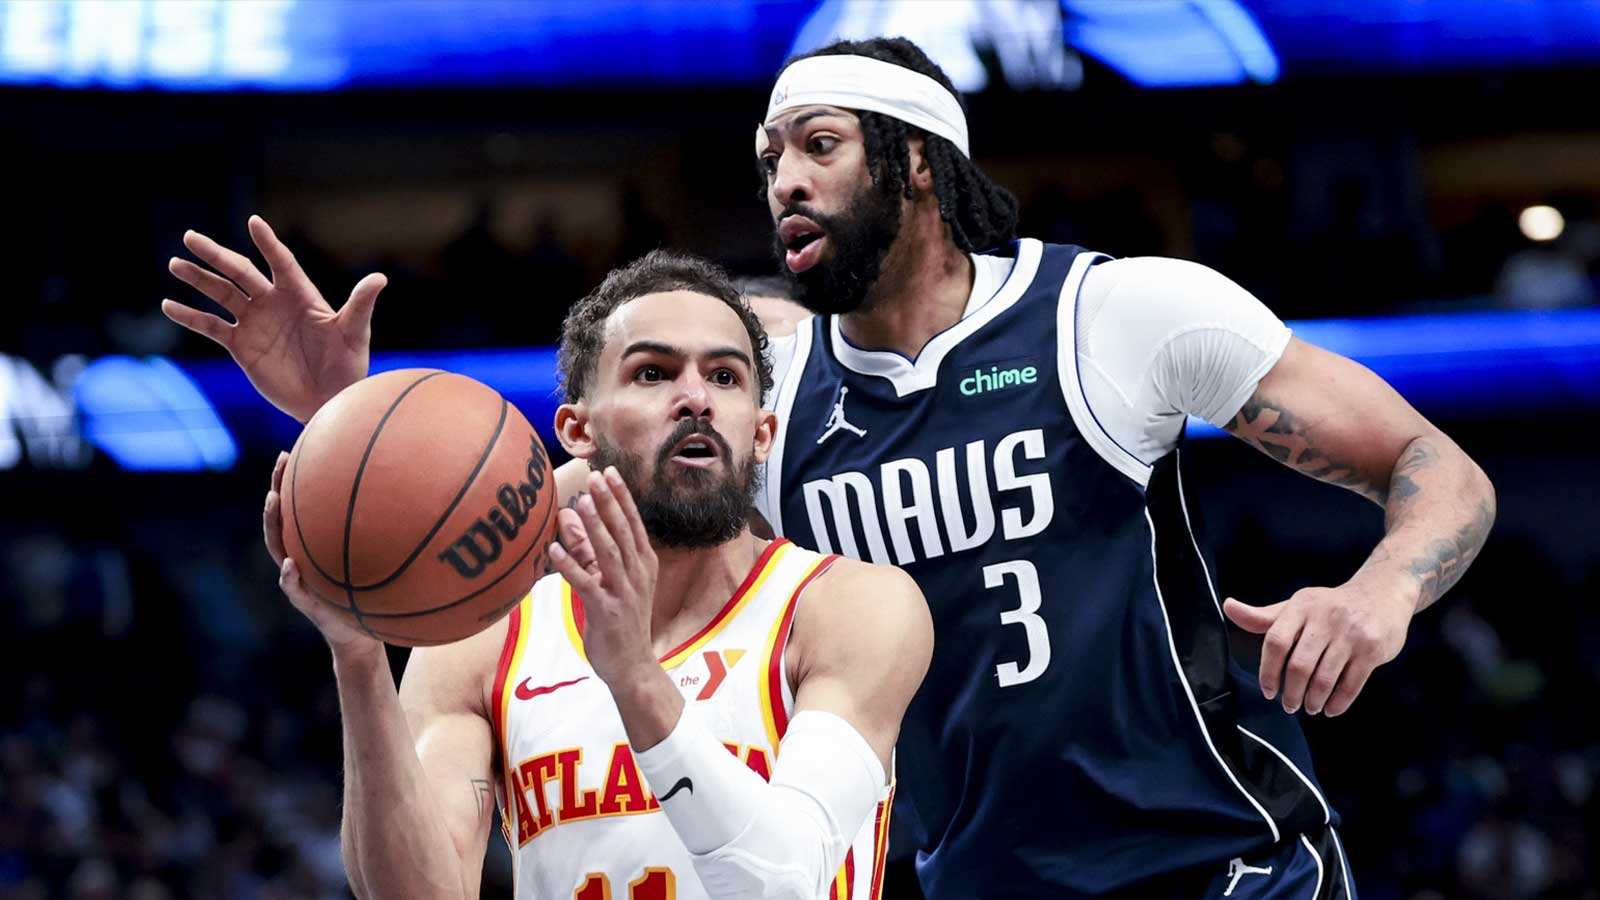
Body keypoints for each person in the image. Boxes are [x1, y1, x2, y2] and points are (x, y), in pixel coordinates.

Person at [162, 33, 1497, 893]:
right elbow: (514, 484)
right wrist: (347, 419)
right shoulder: (765, 385)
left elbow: (1435, 464)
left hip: (1206, 861)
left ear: (918, 165)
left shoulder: (1117, 315)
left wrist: (1378, 595)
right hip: (970, 876)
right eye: (765, 160)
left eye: (817, 147)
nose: (782, 183)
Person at [246, 250, 932, 899]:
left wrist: (634, 676)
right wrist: (361, 651)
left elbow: (788, 882)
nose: (696, 398)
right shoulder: (484, 636)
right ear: (577, 429)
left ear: (761, 430)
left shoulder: (849, 609)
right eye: (653, 373)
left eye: (725, 377)